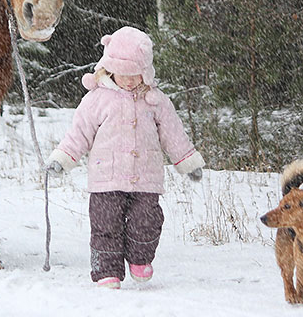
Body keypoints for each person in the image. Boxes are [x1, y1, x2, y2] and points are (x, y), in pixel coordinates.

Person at [45, 26, 205, 289]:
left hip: (146, 176)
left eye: (136, 74)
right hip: (106, 177)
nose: (130, 81)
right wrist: (62, 158)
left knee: (147, 221)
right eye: (123, 74)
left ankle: (140, 258)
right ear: (109, 68)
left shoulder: (156, 101)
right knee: (106, 225)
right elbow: (79, 133)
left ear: (146, 71)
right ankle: (107, 270)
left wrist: (187, 162)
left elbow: (173, 134)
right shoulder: (97, 99)